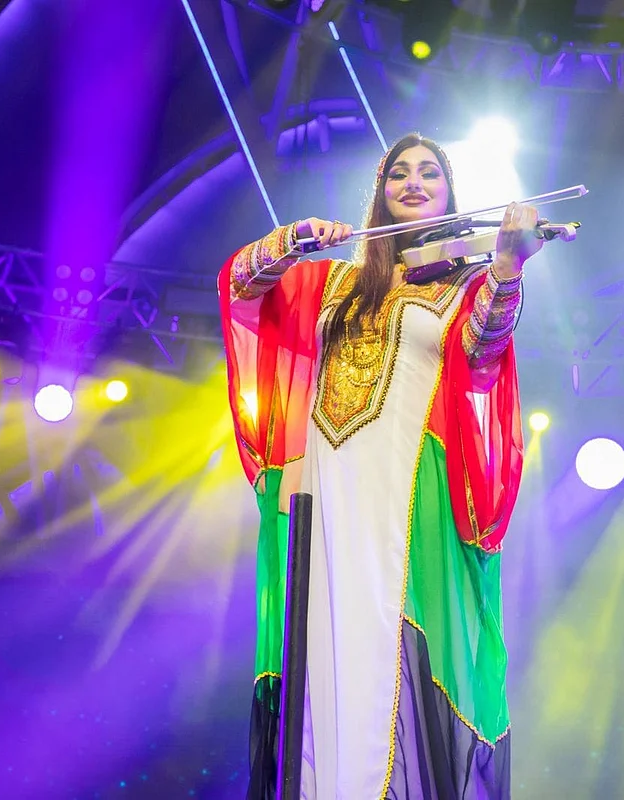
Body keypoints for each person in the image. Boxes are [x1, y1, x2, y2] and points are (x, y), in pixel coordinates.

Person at [218, 132, 542, 799]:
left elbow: (485, 351)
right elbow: (239, 286)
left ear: (449, 193)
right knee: (319, 649)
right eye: (399, 173)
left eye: (429, 173)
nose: (413, 182)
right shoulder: (330, 281)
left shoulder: (464, 284)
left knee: (389, 651)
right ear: (381, 191)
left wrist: (509, 265)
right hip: (325, 495)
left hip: (405, 495)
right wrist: (294, 239)